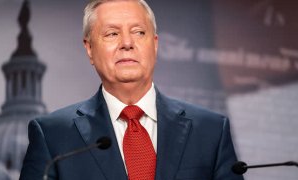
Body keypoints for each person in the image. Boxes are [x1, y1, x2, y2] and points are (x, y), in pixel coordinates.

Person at [20, 0, 244, 180]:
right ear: (89, 48)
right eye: (112, 34)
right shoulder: (53, 136)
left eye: (138, 32)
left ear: (155, 44)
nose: (127, 43)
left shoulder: (210, 131)